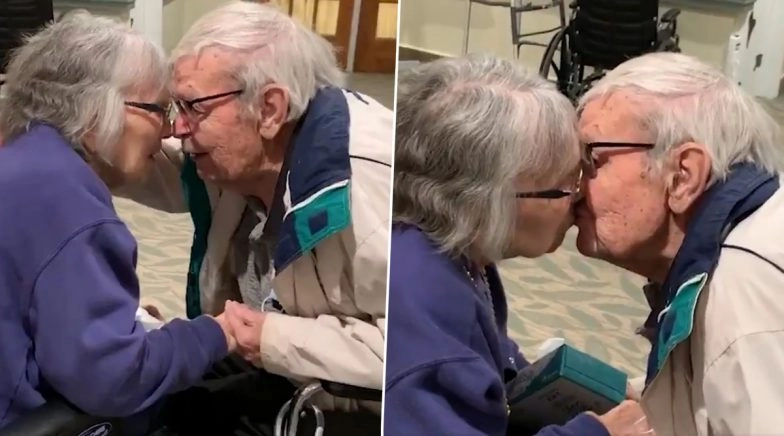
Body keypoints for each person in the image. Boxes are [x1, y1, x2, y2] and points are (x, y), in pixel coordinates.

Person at [117, 2, 390, 434]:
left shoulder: (366, 187)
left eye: (193, 107)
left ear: (269, 109)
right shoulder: (241, 158)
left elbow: (423, 348)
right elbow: (146, 165)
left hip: (354, 411)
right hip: (277, 371)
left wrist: (273, 338)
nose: (177, 129)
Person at [384, 54, 652, 436]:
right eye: (564, 186)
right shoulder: (425, 310)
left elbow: (493, 361)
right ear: (487, 200)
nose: (579, 200)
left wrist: (576, 390)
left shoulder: (456, 251)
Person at [0, 12, 234, 430]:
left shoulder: (24, 156)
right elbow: (112, 379)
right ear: (94, 111)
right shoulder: (66, 201)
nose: (169, 131)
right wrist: (214, 335)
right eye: (158, 109)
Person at [574, 51, 784, 435]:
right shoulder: (742, 237)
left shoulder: (743, 308)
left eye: (593, 160)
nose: (573, 188)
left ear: (683, 176)